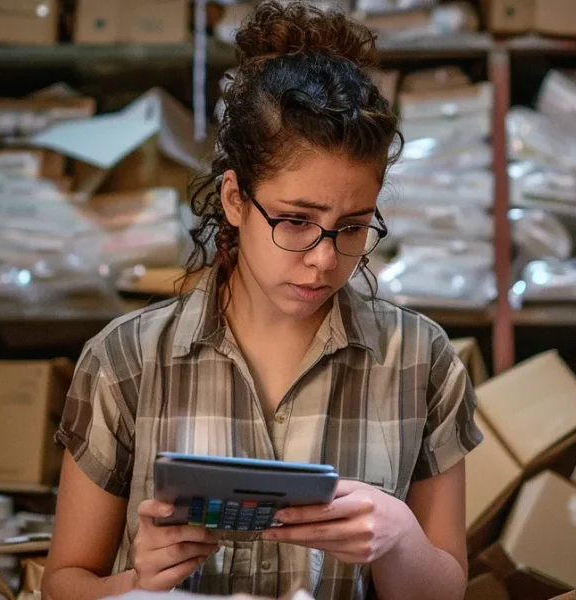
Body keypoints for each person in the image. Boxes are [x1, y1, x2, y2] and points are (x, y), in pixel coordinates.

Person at [41, 2, 481, 598]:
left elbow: (446, 590)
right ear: (235, 200)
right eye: (296, 221)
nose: (324, 258)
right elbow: (62, 585)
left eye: (352, 227)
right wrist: (138, 585)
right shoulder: (127, 361)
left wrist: (400, 538)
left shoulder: (420, 361)